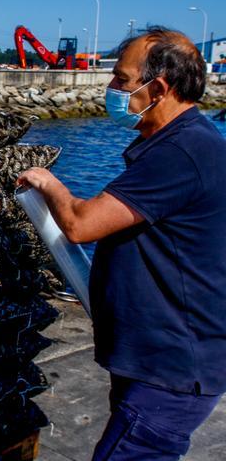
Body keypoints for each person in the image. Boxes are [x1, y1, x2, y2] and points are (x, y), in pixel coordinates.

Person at [17, 27, 225, 460]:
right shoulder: (188, 142)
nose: (110, 88)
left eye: (120, 79)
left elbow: (79, 225)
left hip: (169, 371)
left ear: (159, 88)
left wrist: (47, 181)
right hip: (162, 361)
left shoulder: (181, 153)